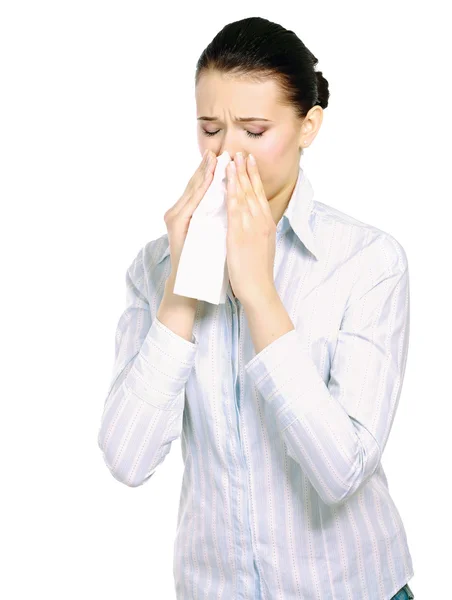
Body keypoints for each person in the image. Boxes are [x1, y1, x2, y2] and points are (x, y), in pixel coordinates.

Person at [97, 16, 415, 600]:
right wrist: (181, 290)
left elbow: (341, 471)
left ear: (308, 126)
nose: (227, 156)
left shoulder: (367, 262)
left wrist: (261, 294)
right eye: (210, 129)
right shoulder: (154, 268)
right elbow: (128, 459)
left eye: (254, 129)